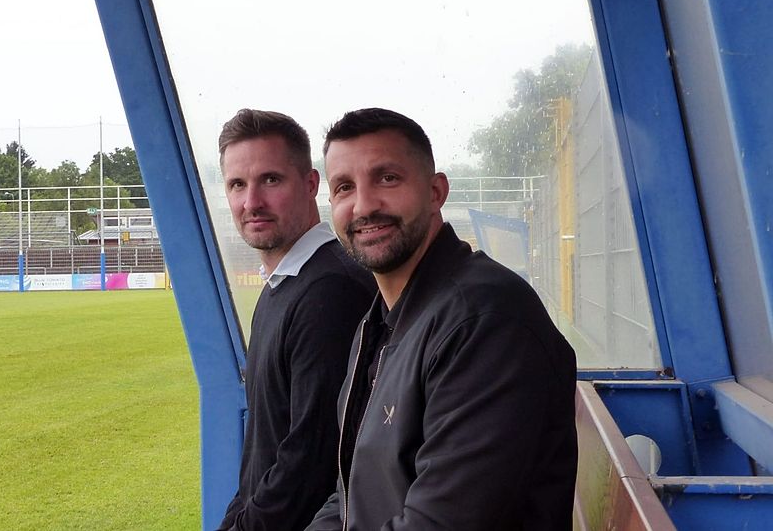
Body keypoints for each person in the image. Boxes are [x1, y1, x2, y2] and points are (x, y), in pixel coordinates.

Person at [307, 108, 577, 530]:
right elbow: (348, 495)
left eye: (387, 178)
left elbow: (441, 522)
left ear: (436, 192)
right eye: (344, 188)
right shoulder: (379, 323)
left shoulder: (484, 320)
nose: (364, 205)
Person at [216, 109, 376, 531]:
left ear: (310, 184)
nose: (251, 202)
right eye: (237, 184)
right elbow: (262, 454)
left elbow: (311, 465)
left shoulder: (330, 291)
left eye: (270, 180)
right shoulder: (283, 285)